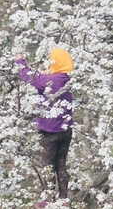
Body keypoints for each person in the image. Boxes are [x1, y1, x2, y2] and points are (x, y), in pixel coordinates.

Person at [16, 48, 75, 208]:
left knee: (48, 167)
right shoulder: (66, 79)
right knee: (61, 165)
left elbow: (29, 77)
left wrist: (20, 60)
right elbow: (42, 76)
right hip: (66, 130)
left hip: (49, 132)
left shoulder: (49, 80)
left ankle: (49, 200)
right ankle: (63, 200)